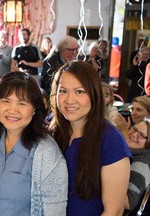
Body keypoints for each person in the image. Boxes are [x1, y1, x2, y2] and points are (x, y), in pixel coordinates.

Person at [50, 61, 132, 215]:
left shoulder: (111, 140)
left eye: (79, 91)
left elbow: (114, 211)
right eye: (63, 91)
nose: (69, 100)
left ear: (94, 94)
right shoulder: (56, 133)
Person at [0, 72, 68, 215]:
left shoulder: (46, 151)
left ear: (34, 109)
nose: (12, 110)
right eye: (6, 101)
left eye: (22, 103)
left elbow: (55, 210)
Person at [123, 119, 150, 215]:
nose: (134, 135)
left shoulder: (140, 165)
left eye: (141, 135)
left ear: (149, 142)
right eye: (134, 129)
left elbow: (128, 203)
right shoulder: (131, 156)